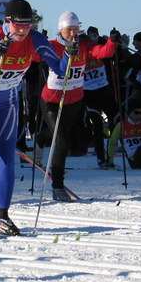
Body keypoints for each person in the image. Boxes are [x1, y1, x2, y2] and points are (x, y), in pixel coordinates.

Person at [0, 0, 69, 238]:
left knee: (7, 159)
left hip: (8, 101)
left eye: (27, 25)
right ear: (8, 21)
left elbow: (60, 69)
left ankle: (3, 216)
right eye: (18, 25)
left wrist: (68, 53)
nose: (23, 30)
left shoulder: (35, 39)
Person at [39, 12, 119, 201]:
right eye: (69, 30)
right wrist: (40, 42)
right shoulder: (53, 46)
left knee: (61, 135)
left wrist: (112, 42)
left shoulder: (84, 45)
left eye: (76, 29)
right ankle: (58, 187)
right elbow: (36, 56)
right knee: (62, 141)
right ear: (61, 30)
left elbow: (103, 52)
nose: (73, 34)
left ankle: (41, 138)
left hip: (74, 100)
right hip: (52, 100)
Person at [82, 26, 120, 167]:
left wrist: (112, 40)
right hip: (89, 93)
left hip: (104, 89)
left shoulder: (97, 48)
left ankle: (112, 149)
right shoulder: (76, 55)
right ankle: (100, 156)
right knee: (97, 124)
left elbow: (110, 52)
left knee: (115, 118)